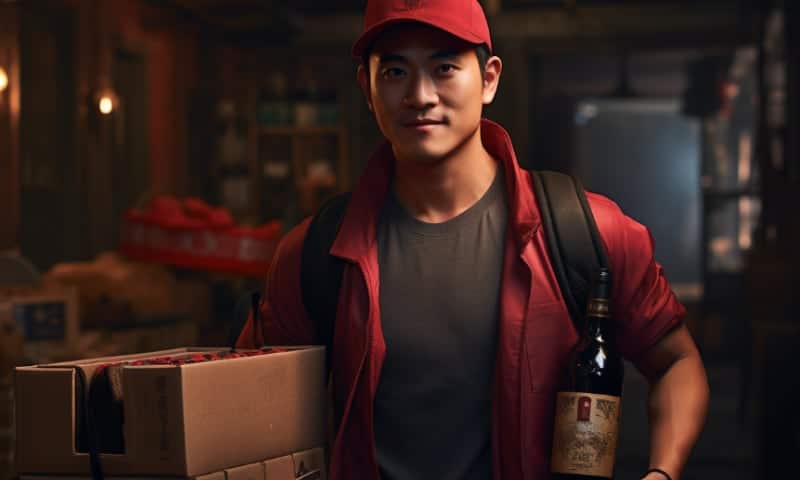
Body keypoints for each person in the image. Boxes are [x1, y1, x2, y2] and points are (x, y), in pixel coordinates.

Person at [236, 1, 709, 479]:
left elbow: (677, 364)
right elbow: (249, 406)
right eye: (396, 71)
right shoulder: (315, 252)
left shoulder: (586, 231)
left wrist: (661, 474)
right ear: (367, 86)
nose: (420, 96)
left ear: (489, 79)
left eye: (444, 68)